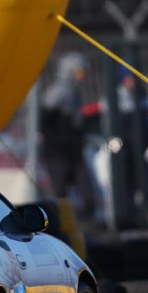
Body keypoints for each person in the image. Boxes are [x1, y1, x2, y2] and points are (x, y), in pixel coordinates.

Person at [40, 52, 96, 221]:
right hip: (57, 155)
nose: (82, 78)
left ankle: (82, 226)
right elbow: (45, 120)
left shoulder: (74, 94)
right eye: (79, 73)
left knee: (87, 194)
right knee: (59, 198)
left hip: (74, 154)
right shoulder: (57, 93)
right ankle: (60, 229)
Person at [117, 70, 148, 212]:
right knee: (127, 192)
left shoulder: (142, 98)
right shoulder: (117, 99)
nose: (133, 82)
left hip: (140, 153)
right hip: (126, 155)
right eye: (129, 78)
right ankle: (130, 219)